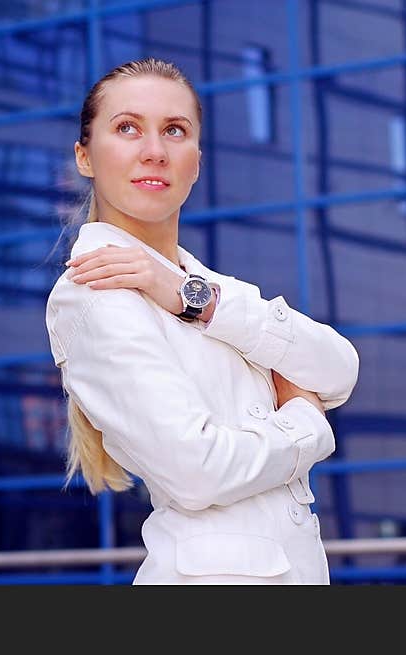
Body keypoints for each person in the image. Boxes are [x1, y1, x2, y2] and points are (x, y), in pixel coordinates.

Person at [44, 57, 360, 584]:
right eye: (127, 128)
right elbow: (197, 471)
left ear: (197, 159)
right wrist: (305, 421)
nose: (154, 150)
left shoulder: (198, 282)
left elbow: (340, 368)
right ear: (85, 156)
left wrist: (195, 299)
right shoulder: (95, 291)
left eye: (175, 130)